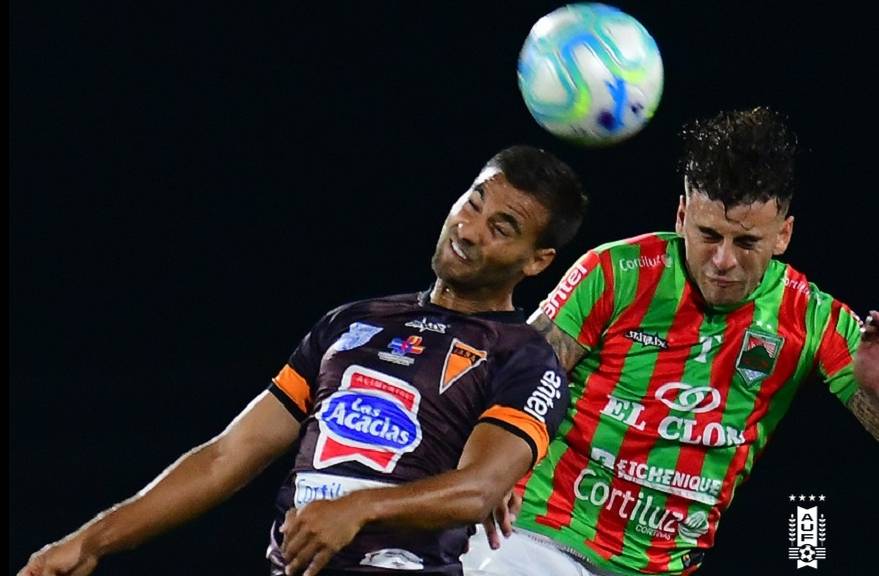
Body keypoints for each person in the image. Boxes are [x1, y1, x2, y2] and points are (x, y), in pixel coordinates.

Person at [17, 145, 589, 576]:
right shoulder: (351, 322)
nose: (469, 230)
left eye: (501, 228)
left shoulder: (523, 357)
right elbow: (226, 456)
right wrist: (89, 542)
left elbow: (479, 490)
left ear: (536, 261)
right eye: (473, 203)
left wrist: (360, 508)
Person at [463, 107, 879, 576]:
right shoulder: (615, 272)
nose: (722, 261)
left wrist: (874, 387)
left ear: (783, 235)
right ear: (682, 216)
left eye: (745, 243)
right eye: (708, 235)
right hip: (532, 539)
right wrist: (492, 471)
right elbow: (514, 383)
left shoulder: (814, 318)